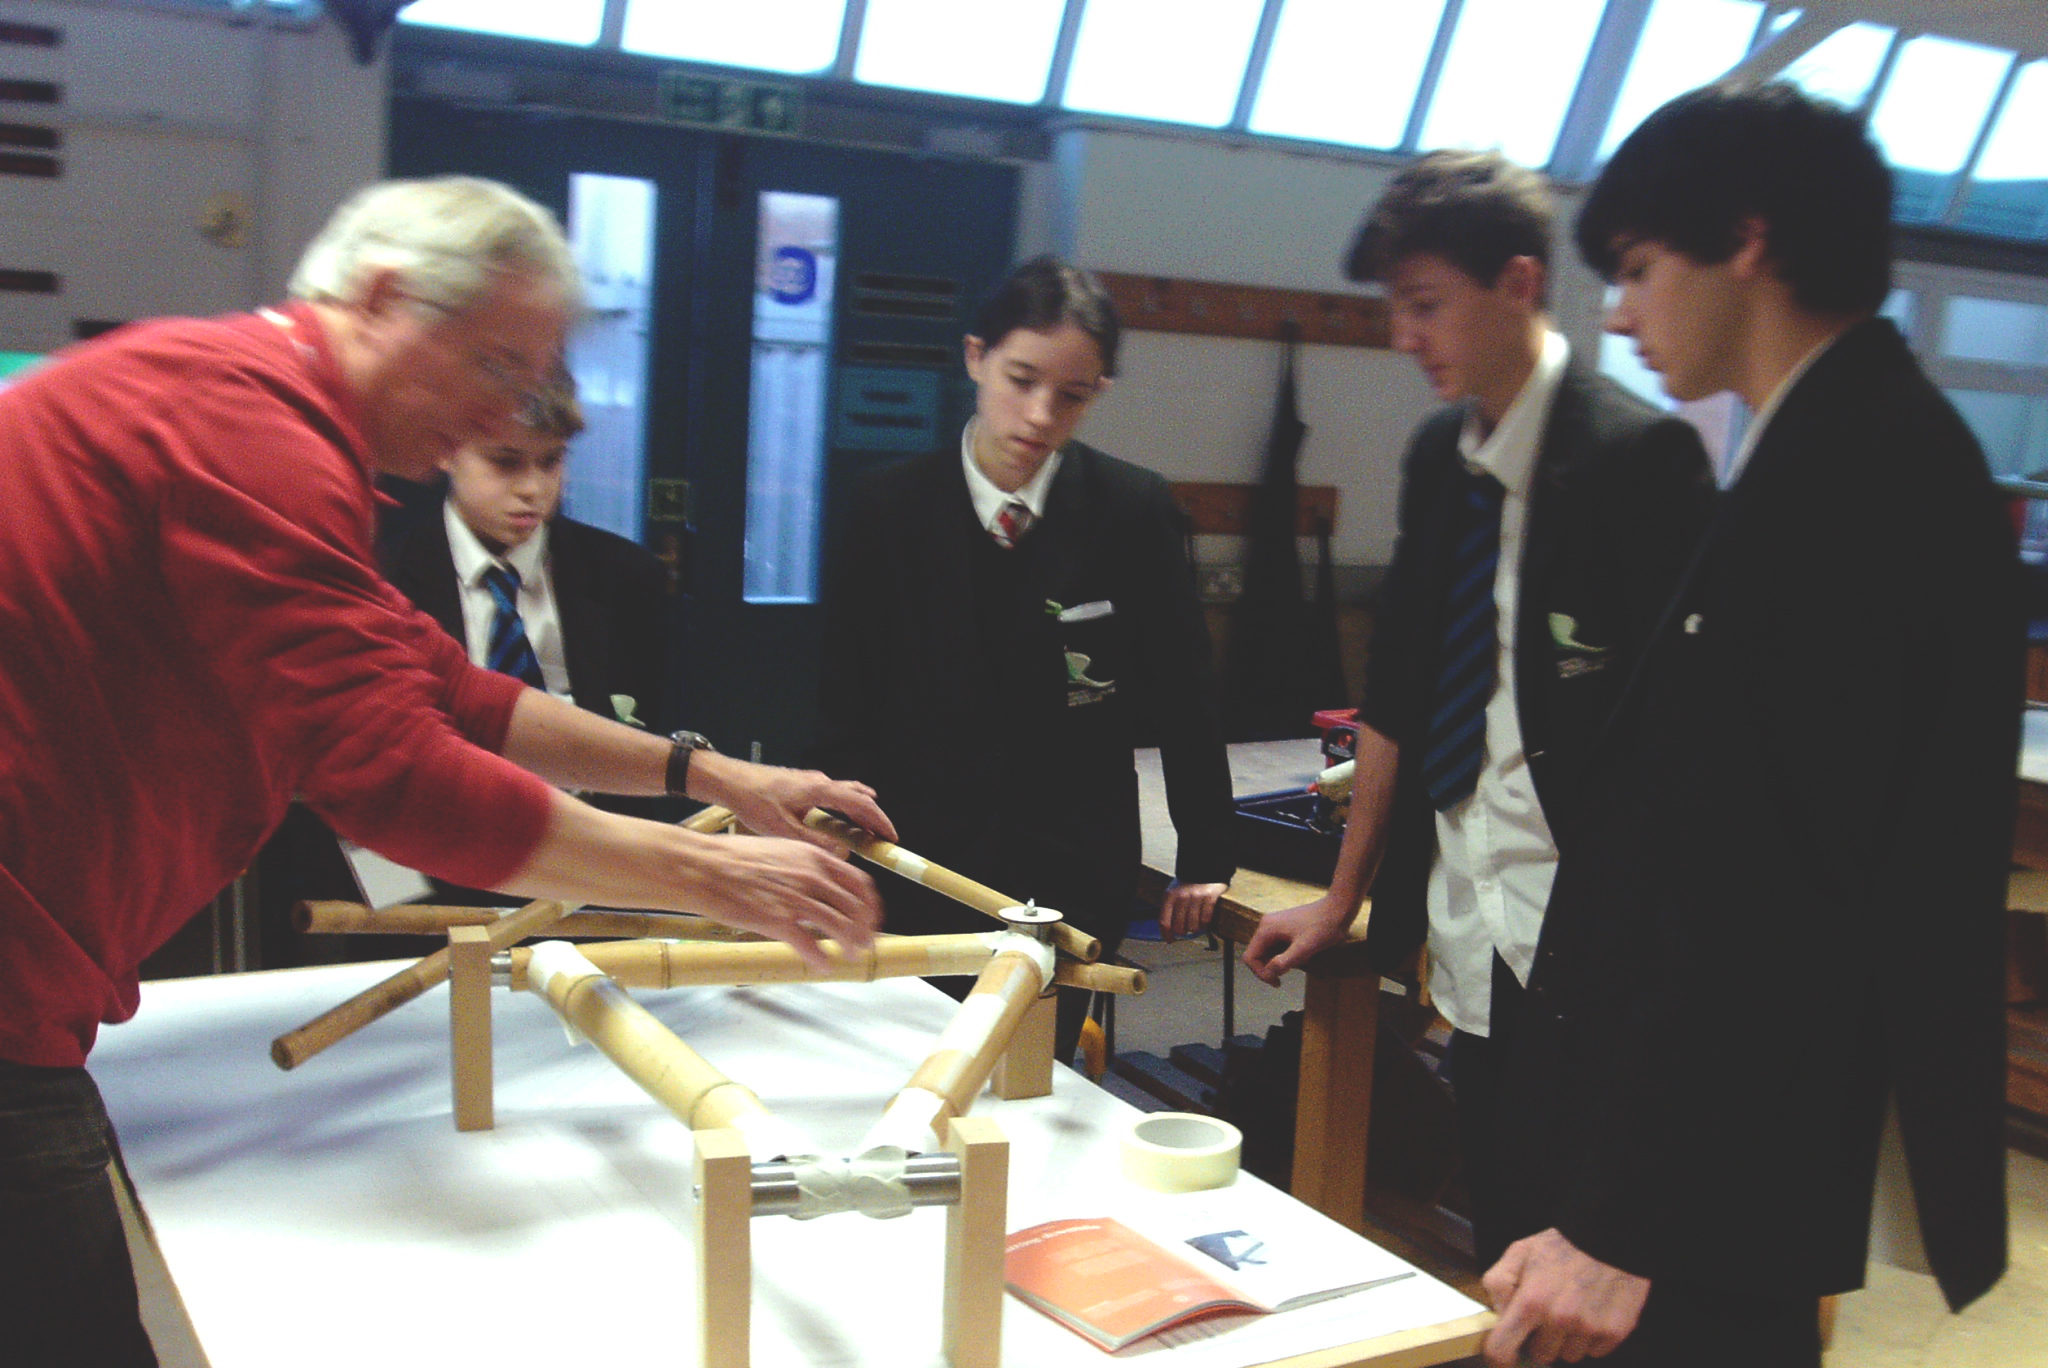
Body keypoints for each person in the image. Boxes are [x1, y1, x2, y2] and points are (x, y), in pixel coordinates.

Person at [0, 175, 894, 1366]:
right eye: (494, 363)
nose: (503, 410)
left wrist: (717, 776)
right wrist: (718, 878)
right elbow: (390, 774)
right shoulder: (246, 428)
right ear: (381, 298)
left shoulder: (254, 408)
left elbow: (447, 685)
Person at [1474, 85, 2021, 1366]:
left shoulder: (1858, 478)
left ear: (1746, 241)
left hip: (1710, 1175)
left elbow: (1770, 896)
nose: (1617, 313)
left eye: (1636, 268)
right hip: (1704, 1146)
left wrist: (1619, 1220)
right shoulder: (1815, 450)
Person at [1240, 150, 1714, 1267]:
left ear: (1516, 283)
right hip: (1469, 908)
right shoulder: (1436, 454)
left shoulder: (1636, 456)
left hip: (1591, 925)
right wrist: (1343, 896)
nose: (1403, 336)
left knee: (1600, 1245)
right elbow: (1400, 688)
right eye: (1393, 308)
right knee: (1503, 1218)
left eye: (1424, 304)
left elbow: (1686, 755)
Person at [813, 256, 1236, 1063]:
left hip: (1069, 869)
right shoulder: (888, 508)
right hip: (917, 860)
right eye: (1021, 380)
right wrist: (837, 838)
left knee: (1042, 1089)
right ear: (976, 357)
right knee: (909, 1077)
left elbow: (1187, 694)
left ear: (1098, 392)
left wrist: (1206, 856)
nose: (1040, 416)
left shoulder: (1131, 509)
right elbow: (845, 701)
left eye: (1071, 395)